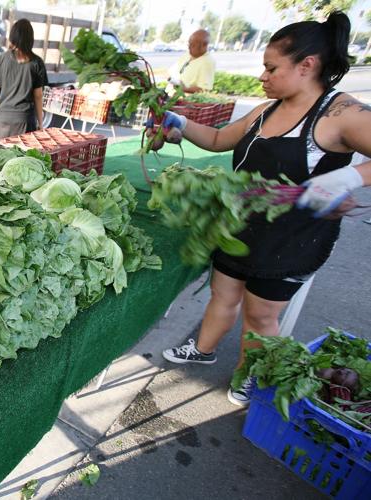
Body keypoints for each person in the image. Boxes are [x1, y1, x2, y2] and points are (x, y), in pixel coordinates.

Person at [155, 11, 370, 406]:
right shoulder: (267, 109)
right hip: (240, 227)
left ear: (307, 66)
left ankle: (248, 376)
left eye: (271, 68)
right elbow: (220, 139)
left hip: (293, 240)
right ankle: (201, 350)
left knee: (260, 318)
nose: (262, 76)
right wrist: (180, 123)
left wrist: (351, 178)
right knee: (222, 294)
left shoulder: (340, 113)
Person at [0, 19, 48, 141]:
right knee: (21, 159)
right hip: (24, 122)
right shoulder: (37, 62)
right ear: (30, 39)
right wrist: (40, 123)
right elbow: (38, 95)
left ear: (12, 37)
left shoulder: (0, 59)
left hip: (1, 121)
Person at [168, 29, 216, 93]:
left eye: (193, 45)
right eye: (189, 44)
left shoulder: (207, 62)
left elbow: (204, 89)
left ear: (204, 46)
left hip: (185, 101)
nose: (189, 47)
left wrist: (183, 88)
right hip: (170, 96)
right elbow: (173, 70)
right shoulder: (188, 54)